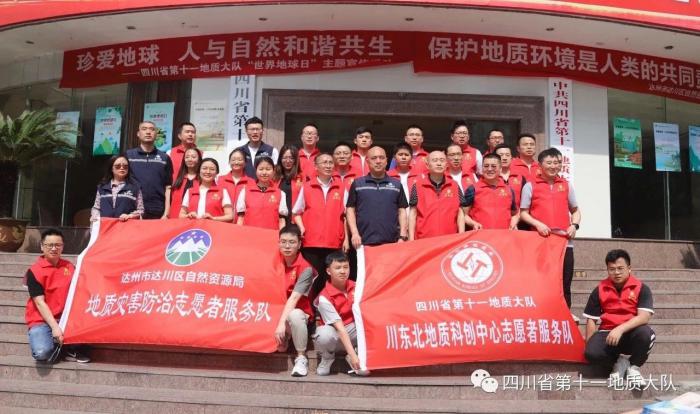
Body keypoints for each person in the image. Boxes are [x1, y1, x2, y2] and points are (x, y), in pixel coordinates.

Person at [520, 147, 581, 315]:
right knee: (542, 282)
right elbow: (523, 213)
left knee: (565, 282)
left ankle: (564, 317)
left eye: (556, 163)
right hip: (540, 242)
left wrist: (574, 225)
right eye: (549, 163)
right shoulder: (530, 186)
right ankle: (541, 316)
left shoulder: (566, 185)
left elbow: (575, 210)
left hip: (564, 243)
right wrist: (538, 224)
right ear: (540, 165)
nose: (553, 166)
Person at [583, 249, 655, 386]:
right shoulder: (600, 289)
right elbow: (591, 319)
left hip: (632, 332)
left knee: (646, 334)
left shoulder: (641, 288)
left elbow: (644, 317)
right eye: (612, 269)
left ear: (629, 268)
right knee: (591, 353)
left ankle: (634, 367)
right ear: (607, 270)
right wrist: (590, 345)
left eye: (620, 268)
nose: (616, 272)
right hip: (607, 334)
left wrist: (620, 329)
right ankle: (619, 363)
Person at [25, 228, 90, 363]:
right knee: (42, 353)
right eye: (50, 245)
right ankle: (58, 344)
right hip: (41, 320)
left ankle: (66, 347)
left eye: (58, 245)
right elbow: (39, 303)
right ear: (42, 246)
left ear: (62, 246)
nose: (54, 248)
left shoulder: (69, 267)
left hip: (66, 318)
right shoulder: (34, 271)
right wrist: (55, 327)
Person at [292, 153, 349, 294]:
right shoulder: (307, 187)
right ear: (316, 166)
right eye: (324, 162)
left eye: (330, 162)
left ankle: (327, 305)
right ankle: (310, 306)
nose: (328, 165)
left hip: (334, 242)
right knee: (312, 277)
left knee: (331, 278)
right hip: (311, 242)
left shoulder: (341, 188)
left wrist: (346, 239)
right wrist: (302, 228)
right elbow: (296, 212)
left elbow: (346, 215)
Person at [312, 251, 368, 376]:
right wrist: (353, 356)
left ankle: (359, 353)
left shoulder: (358, 286)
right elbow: (340, 329)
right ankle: (327, 357)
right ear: (328, 271)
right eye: (337, 268)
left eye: (345, 267)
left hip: (353, 331)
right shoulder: (324, 297)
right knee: (323, 334)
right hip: (335, 336)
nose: (343, 271)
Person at [274, 225, 317, 377]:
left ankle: (301, 358)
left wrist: (281, 324)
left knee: (295, 314)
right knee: (280, 348)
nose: (287, 246)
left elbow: (294, 299)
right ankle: (285, 337)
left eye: (292, 242)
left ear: (299, 244)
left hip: (298, 312)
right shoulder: (273, 262)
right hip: (277, 309)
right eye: (283, 242)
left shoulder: (306, 269)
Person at [346, 146, 408, 248]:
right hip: (363, 243)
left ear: (386, 161)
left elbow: (402, 211)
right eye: (374, 158)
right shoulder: (358, 183)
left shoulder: (396, 184)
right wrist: (355, 233)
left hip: (392, 243)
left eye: (381, 158)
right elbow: (350, 209)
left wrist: (402, 236)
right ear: (367, 161)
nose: (378, 161)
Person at [408, 151, 466, 240]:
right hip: (424, 239)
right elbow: (413, 213)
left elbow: (460, 212)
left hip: (450, 239)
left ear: (446, 164)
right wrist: (411, 239)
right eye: (435, 160)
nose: (439, 163)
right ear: (427, 165)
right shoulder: (417, 186)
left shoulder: (454, 185)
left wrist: (461, 236)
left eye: (442, 160)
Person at [126, 121, 173, 219]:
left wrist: (166, 213)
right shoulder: (128, 155)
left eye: (152, 129)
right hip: (132, 209)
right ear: (138, 134)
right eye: (144, 129)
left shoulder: (164, 158)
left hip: (157, 209)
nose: (148, 132)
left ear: (156, 134)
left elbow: (168, 187)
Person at [462, 154, 519, 230]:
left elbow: (514, 214)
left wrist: (514, 222)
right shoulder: (473, 189)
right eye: (486, 166)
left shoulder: (509, 190)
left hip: (504, 234)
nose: (489, 169)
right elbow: (463, 215)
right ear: (482, 168)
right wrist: (473, 224)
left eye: (493, 166)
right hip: (481, 235)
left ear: (500, 169)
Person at [236, 156, 288, 229]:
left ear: (273, 171)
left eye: (268, 169)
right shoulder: (245, 192)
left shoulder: (280, 193)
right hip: (249, 233)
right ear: (256, 170)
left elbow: (282, 220)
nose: (264, 172)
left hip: (271, 234)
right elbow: (240, 218)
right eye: (261, 169)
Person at [90, 155, 144, 222]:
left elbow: (140, 210)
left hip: (126, 226)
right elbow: (96, 208)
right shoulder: (102, 187)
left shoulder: (135, 187)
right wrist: (95, 217)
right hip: (106, 226)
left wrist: (129, 216)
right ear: (111, 168)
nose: (122, 168)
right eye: (118, 166)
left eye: (125, 166)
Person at [180, 158, 234, 222]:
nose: (208, 172)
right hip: (193, 227)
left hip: (214, 227)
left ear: (217, 173)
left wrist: (213, 219)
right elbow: (181, 215)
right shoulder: (190, 191)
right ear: (199, 171)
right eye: (204, 168)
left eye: (212, 169)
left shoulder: (222, 191)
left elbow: (230, 216)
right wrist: (188, 215)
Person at [275, 145, 304, 226]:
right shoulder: (274, 177)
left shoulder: (303, 178)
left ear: (296, 159)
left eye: (291, 158)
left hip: (295, 222)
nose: (288, 161)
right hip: (277, 221)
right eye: (284, 158)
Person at [168, 147, 201, 219]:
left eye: (193, 157)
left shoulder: (203, 180)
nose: (190, 159)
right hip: (176, 218)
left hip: (195, 219)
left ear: (199, 160)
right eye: (187, 157)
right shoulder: (178, 179)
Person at [387, 143, 417, 222]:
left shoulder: (419, 176)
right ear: (394, 157)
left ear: (411, 157)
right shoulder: (387, 176)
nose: (403, 157)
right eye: (400, 154)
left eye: (406, 155)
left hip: (415, 220)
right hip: (393, 220)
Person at [218, 148, 249, 217]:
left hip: (242, 221)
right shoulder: (220, 180)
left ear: (245, 163)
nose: (236, 162)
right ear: (229, 162)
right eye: (233, 160)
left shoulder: (251, 182)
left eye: (240, 160)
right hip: (223, 220)